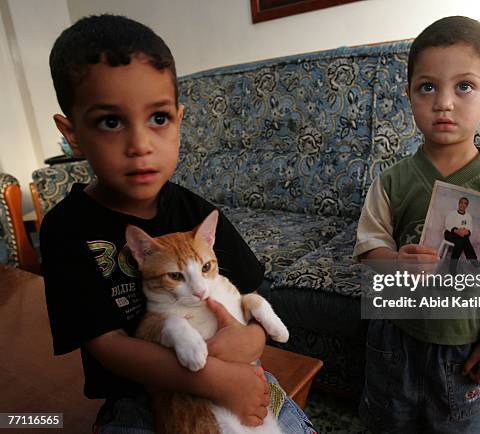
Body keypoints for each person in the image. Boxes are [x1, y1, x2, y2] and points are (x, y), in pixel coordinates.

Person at [41, 14, 314, 433]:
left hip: (239, 370)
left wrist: (251, 342)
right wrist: (213, 378)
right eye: (110, 121)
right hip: (138, 394)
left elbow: (250, 299)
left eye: (159, 119)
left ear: (179, 120)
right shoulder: (66, 229)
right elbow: (108, 346)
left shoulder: (194, 211)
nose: (140, 145)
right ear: (72, 132)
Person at [354, 16, 480, 433]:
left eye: (464, 86)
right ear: (409, 95)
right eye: (427, 87)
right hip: (394, 340)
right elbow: (369, 250)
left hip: (461, 348)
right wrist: (395, 262)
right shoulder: (391, 182)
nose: (444, 102)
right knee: (385, 423)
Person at [444, 196, 480, 272]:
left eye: (465, 203)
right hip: (450, 233)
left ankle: (452, 268)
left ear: (467, 206)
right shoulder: (452, 213)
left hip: (462, 236)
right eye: (461, 203)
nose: (462, 205)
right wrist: (457, 231)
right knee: (462, 240)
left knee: (461, 242)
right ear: (459, 203)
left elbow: (470, 228)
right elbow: (447, 225)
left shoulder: (468, 216)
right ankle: (473, 259)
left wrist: (466, 232)